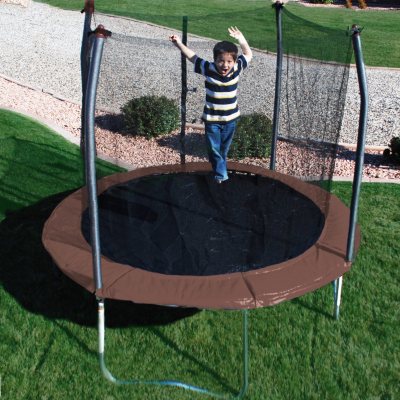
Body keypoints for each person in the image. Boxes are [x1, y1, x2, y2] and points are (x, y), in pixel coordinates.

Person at [169, 27, 253, 183]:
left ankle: (218, 174)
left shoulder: (236, 68)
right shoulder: (209, 68)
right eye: (221, 60)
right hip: (212, 120)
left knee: (223, 150)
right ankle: (222, 176)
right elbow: (192, 57)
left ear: (234, 61)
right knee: (214, 149)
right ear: (215, 60)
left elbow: (248, 54)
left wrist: (241, 38)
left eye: (229, 61)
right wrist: (178, 44)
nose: (225, 65)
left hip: (231, 119)